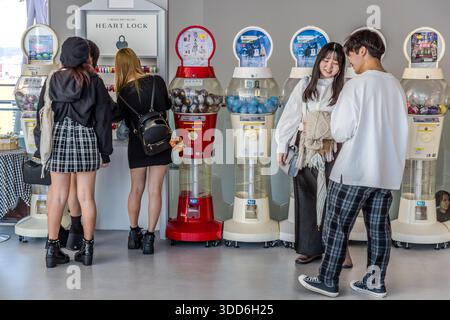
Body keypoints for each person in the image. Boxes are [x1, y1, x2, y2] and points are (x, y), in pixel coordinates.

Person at [298, 29, 409, 298]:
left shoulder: (356, 85)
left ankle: (327, 280)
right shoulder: (395, 85)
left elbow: (340, 131)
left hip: (353, 170)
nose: (350, 63)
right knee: (379, 229)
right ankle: (375, 283)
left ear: (362, 51)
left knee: (336, 225)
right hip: (385, 172)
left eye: (350, 55)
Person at [36, 37, 112, 268]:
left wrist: (41, 148)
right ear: (84, 56)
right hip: (86, 138)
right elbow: (103, 119)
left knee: (58, 195)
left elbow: (42, 115)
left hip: (58, 139)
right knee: (86, 196)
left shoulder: (52, 79)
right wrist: (104, 152)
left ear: (64, 55)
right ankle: (87, 250)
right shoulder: (94, 81)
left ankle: (52, 249)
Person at [275, 42, 353, 267]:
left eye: (336, 62)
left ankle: (340, 250)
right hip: (306, 149)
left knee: (336, 199)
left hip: (334, 150)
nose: (329, 66)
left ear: (341, 66)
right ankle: (310, 248)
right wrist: (282, 146)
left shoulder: (346, 89)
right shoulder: (305, 85)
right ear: (319, 60)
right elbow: (290, 117)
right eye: (326, 60)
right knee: (307, 197)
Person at [113, 48, 172, 255]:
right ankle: (149, 238)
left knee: (136, 189)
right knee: (155, 190)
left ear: (119, 67)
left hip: (137, 144)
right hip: (161, 140)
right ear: (137, 61)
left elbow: (118, 118)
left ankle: (132, 233)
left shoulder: (123, 92)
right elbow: (168, 105)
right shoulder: (157, 81)